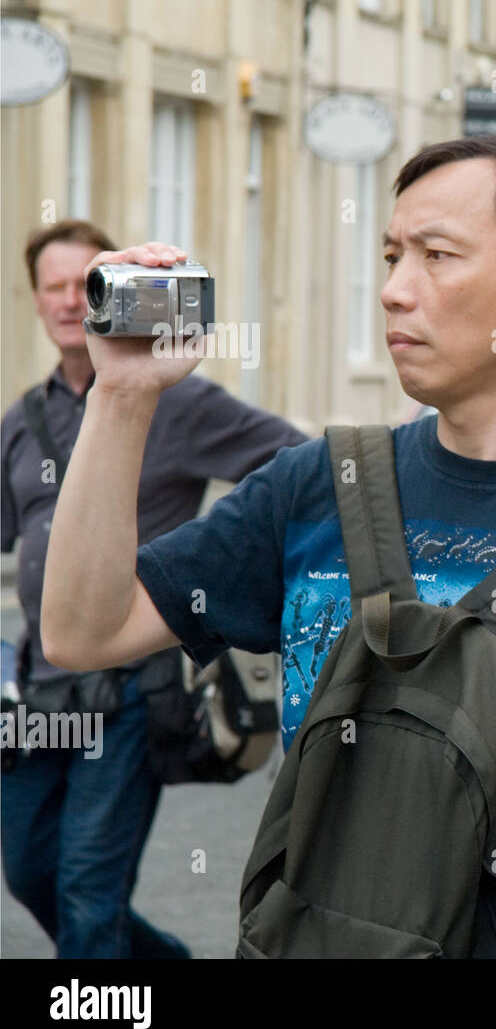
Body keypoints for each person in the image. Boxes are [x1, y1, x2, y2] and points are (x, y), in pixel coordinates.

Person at [39, 137, 496, 959]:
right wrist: (119, 394)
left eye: (437, 257)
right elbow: (84, 630)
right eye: (393, 256)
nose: (395, 292)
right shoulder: (317, 484)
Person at [0, 219, 308, 958]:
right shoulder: (21, 421)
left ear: (115, 296)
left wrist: (215, 572)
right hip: (35, 688)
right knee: (30, 873)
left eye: (87, 284)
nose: (72, 301)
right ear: (37, 300)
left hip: (131, 688)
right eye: (56, 287)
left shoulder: (182, 401)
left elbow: (304, 466)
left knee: (86, 891)